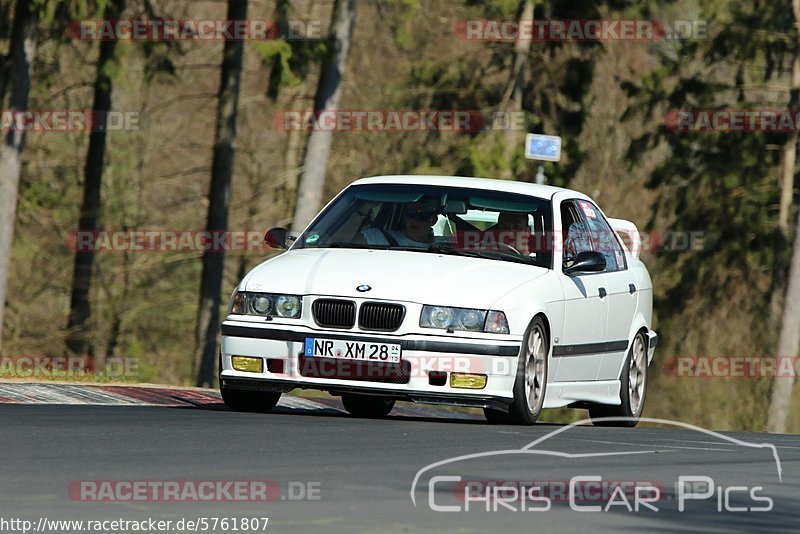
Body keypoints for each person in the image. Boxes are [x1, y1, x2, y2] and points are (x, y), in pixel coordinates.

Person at [360, 202, 438, 247]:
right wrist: (365, 207)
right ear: (404, 217)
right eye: (411, 213)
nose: (416, 220)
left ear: (433, 220)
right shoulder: (379, 237)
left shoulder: (444, 248)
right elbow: (348, 240)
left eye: (424, 216)